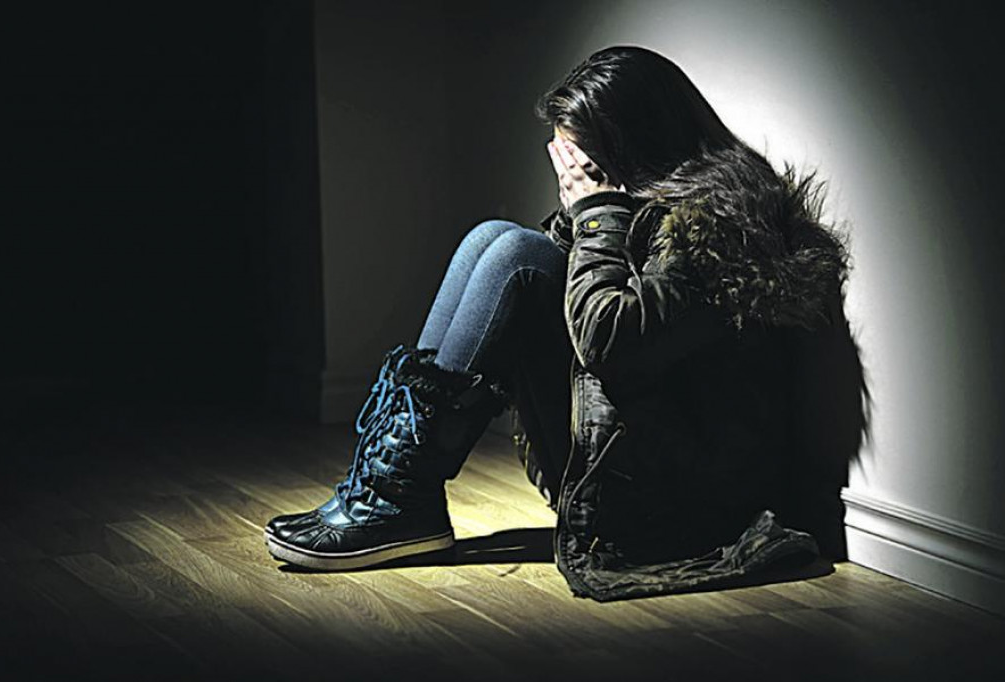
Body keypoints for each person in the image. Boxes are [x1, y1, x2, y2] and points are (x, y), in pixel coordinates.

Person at [264, 46, 869, 600]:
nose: (573, 174)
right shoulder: (655, 199)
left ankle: (397, 498)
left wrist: (596, 210)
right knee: (495, 241)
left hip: (683, 500)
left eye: (583, 162)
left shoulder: (718, 224)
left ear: (632, 149)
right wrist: (588, 217)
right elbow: (567, 283)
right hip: (635, 450)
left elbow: (611, 342)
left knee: (515, 256)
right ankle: (391, 490)